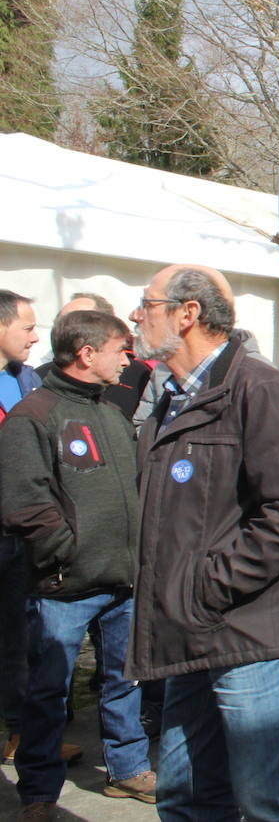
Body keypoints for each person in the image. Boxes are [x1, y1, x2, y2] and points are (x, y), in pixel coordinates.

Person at [126, 264, 279, 820]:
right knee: (187, 798)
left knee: (271, 800)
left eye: (146, 304)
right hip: (188, 634)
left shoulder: (260, 388)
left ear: (188, 313)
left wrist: (209, 587)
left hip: (249, 635)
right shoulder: (170, 395)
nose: (136, 317)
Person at [0, 311, 156, 819]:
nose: (127, 358)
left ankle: (128, 769)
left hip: (122, 579)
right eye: (119, 349)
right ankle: (39, 793)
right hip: (63, 586)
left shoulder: (110, 412)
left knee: (124, 680)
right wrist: (64, 552)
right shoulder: (34, 416)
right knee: (48, 692)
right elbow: (24, 502)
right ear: (87, 354)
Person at [1, 290, 43, 759]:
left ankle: (20, 732)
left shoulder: (28, 380)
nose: (36, 337)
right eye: (28, 328)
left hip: (19, 532)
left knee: (19, 637)